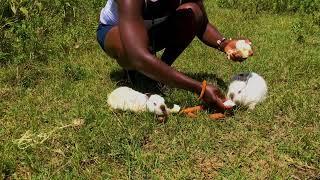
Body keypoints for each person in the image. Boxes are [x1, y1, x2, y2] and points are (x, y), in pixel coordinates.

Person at [96, 0, 253, 111]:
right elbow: (138, 55)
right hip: (118, 32)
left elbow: (202, 23)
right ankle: (134, 72)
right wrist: (200, 89)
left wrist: (225, 44)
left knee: (193, 12)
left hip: (153, 29)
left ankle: (158, 73)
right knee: (128, 50)